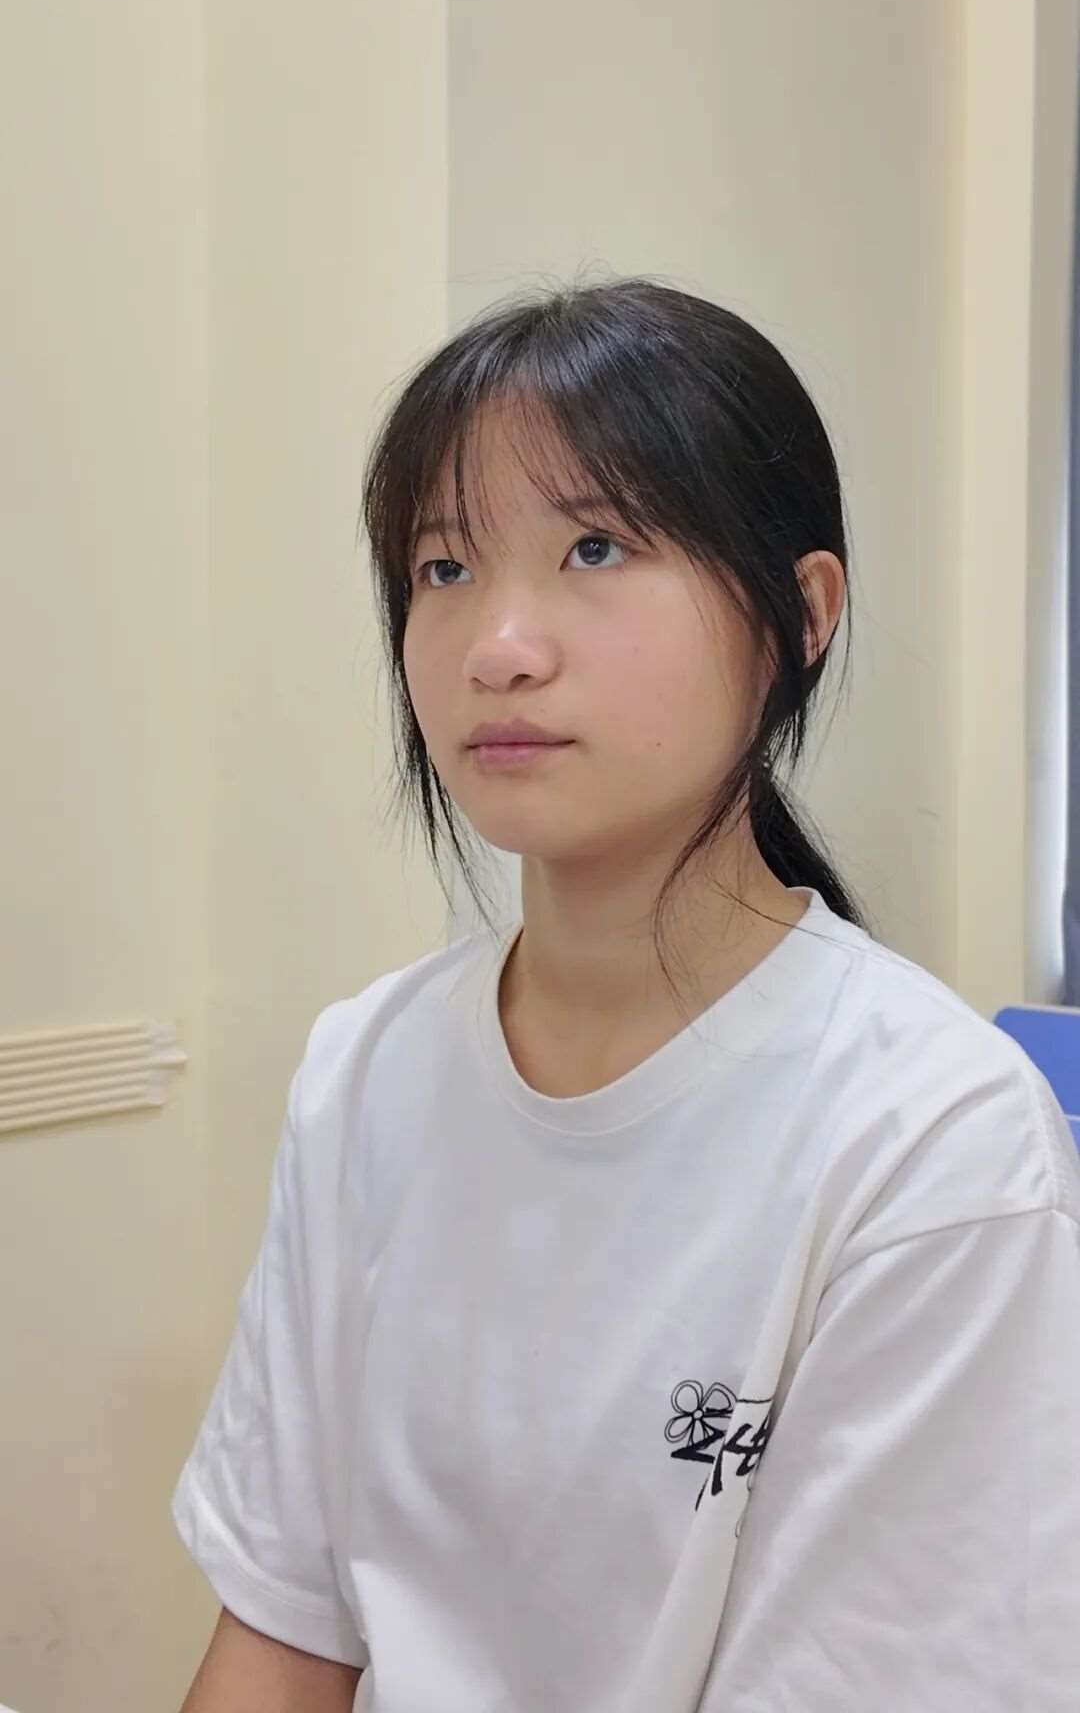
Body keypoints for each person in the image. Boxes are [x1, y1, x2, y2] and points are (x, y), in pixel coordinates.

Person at [172, 277, 1080, 1712]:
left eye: (595, 547)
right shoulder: (366, 1071)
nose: (498, 646)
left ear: (800, 614)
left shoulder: (932, 1140)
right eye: (443, 568)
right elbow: (287, 1632)